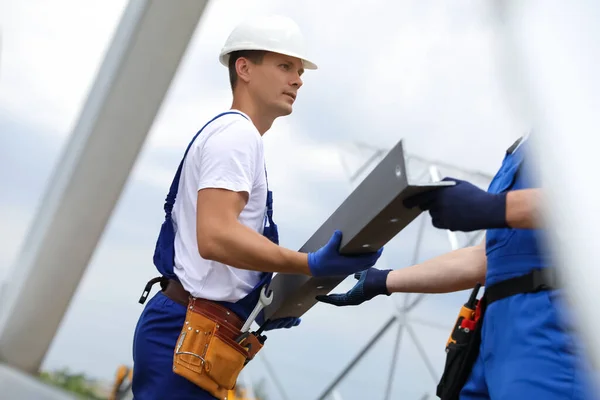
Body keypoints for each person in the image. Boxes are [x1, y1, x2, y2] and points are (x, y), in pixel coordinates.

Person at [131, 15, 383, 400]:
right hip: (187, 332)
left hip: (197, 331)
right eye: (285, 66)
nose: (297, 79)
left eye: (299, 71)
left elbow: (216, 262)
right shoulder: (237, 136)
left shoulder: (237, 136)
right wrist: (310, 264)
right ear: (243, 68)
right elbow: (215, 238)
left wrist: (264, 306)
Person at [317, 136, 595, 399]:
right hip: (494, 338)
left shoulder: (576, 113)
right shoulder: (529, 143)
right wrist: (384, 281)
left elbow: (587, 203)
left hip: (554, 331)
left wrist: (494, 207)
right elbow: (487, 259)